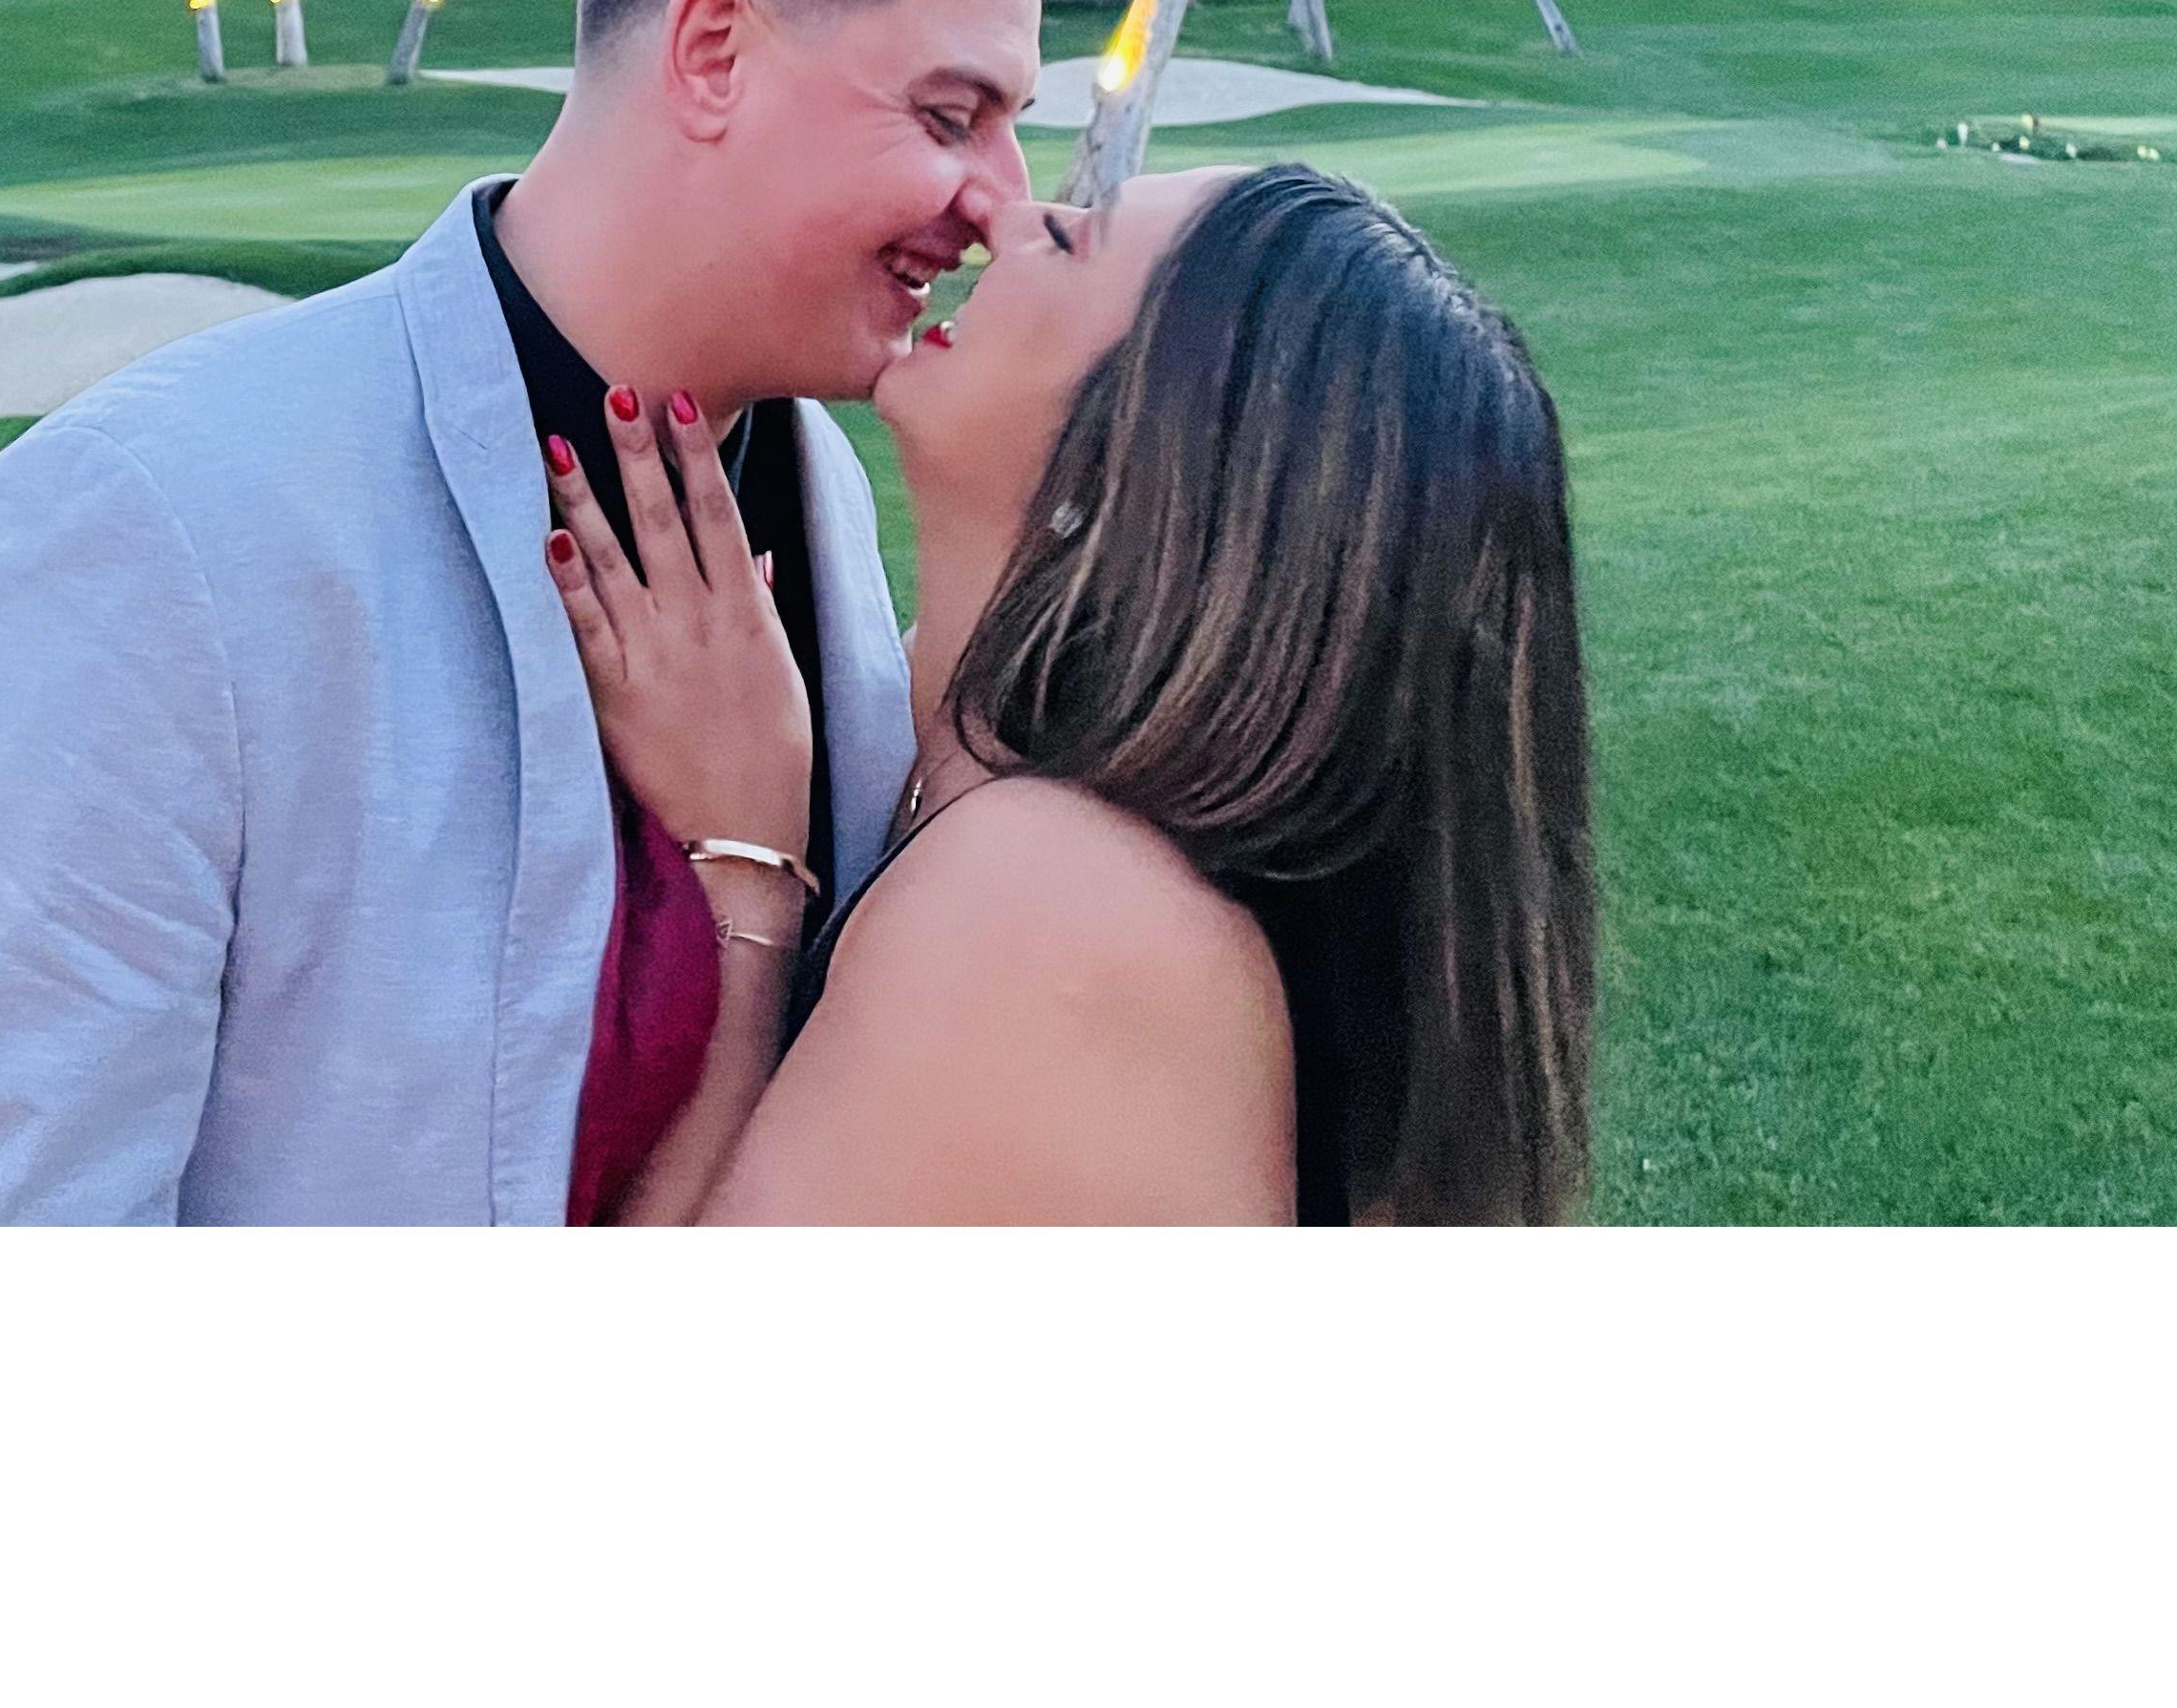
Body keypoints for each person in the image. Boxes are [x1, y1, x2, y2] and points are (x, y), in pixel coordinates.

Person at [0, 0, 1071, 1222]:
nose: (1003, 204)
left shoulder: (817, 484)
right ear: (713, 53)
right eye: (950, 117)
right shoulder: (150, 526)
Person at [541, 158, 1595, 1222]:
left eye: (1074, 240)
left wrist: (747, 872)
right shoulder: (949, 740)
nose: (1006, 217)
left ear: (1141, 461)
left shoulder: (1054, 906)